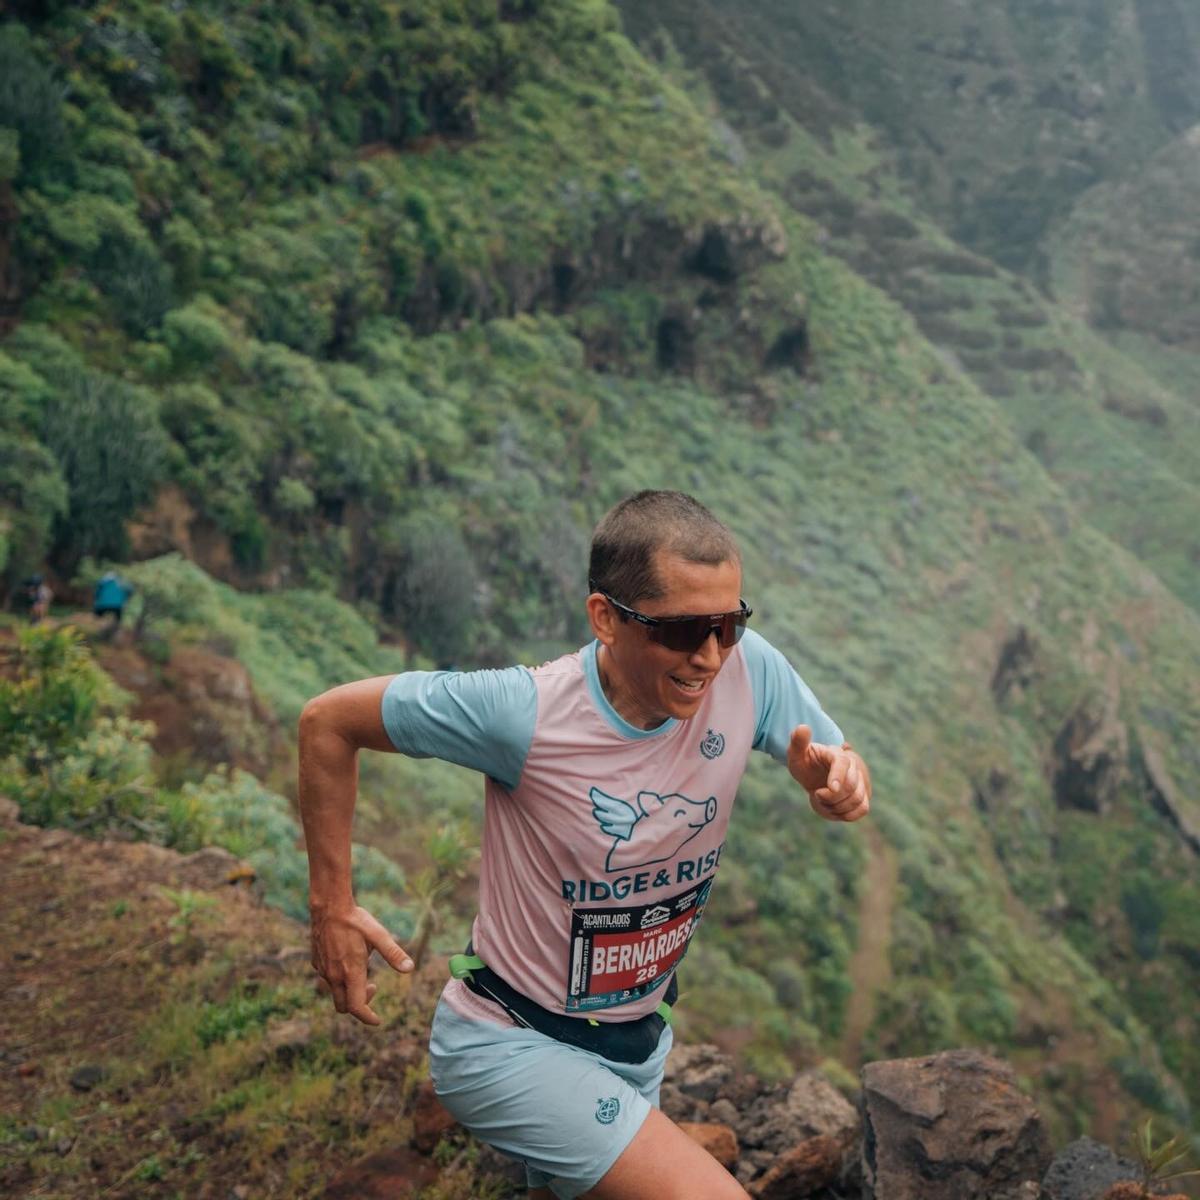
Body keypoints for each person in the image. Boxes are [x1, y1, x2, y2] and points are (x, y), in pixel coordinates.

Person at [299, 490, 871, 1199]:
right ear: (605, 618)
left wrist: (841, 780)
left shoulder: (749, 668)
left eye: (730, 622)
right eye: (684, 629)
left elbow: (834, 758)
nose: (711, 654)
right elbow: (327, 722)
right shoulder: (524, 714)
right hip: (510, 1042)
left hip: (638, 1044)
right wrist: (332, 905)